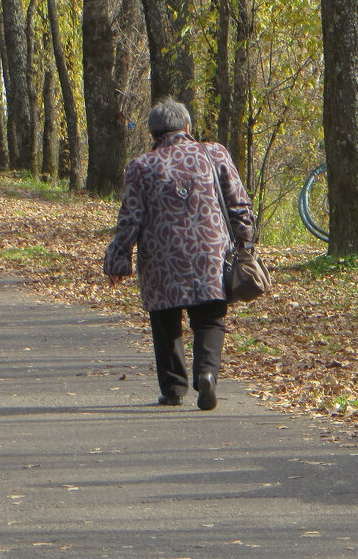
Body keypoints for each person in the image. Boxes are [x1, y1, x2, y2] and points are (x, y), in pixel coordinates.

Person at [104, 99, 254, 411]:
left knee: (164, 319)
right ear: (187, 127)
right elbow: (239, 203)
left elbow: (129, 217)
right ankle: (207, 375)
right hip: (210, 251)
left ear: (153, 133)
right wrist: (246, 242)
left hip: (161, 258)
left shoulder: (142, 165)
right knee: (210, 316)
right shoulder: (214, 153)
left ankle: (173, 389)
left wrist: (119, 257)